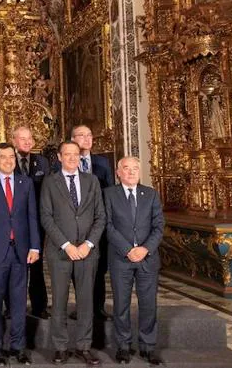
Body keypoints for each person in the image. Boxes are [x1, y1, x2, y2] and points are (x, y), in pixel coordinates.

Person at [40, 141, 105, 366]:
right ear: (59, 157)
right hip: (60, 252)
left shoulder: (92, 181)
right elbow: (46, 217)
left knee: (86, 301)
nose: (72, 158)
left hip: (87, 252)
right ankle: (60, 347)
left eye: (75, 154)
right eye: (67, 154)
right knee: (59, 301)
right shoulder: (50, 182)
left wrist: (88, 244)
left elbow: (100, 217)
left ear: (80, 156)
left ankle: (84, 346)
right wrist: (67, 245)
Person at [0, 142, 40, 365]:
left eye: (11, 157)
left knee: (19, 302)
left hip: (21, 252)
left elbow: (32, 217)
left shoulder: (26, 183)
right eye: (3, 157)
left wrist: (35, 246)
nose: (8, 161)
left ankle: (18, 346)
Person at [104, 157, 164, 365]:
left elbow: (158, 227)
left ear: (140, 172)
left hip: (147, 258)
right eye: (126, 168)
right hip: (121, 258)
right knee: (121, 304)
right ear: (118, 172)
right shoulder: (109, 194)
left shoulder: (151, 194)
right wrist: (128, 249)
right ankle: (123, 346)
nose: (131, 172)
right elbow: (107, 225)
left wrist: (145, 249)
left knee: (148, 304)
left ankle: (148, 346)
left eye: (135, 169)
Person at [70, 125, 115, 321]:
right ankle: (82, 307)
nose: (87, 139)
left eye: (89, 135)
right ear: (72, 139)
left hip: (98, 224)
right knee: (77, 271)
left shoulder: (103, 163)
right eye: (81, 135)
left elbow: (110, 192)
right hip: (75, 225)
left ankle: (98, 307)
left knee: (99, 267)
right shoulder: (66, 162)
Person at [12, 126, 51, 319]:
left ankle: (39, 306)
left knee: (36, 266)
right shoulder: (8, 160)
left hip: (37, 222)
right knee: (15, 265)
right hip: (15, 222)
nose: (27, 142)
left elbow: (48, 191)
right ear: (14, 141)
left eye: (30, 139)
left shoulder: (42, 162)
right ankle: (12, 307)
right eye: (22, 138)